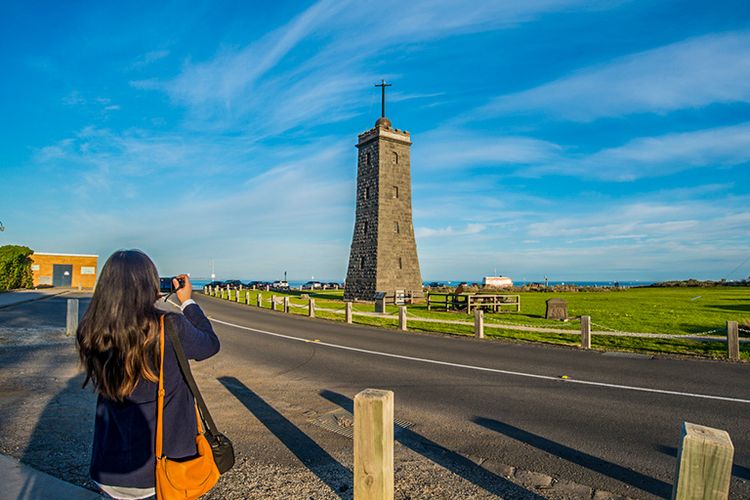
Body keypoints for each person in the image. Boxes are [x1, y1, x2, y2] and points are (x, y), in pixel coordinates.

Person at [76, 250, 220, 499]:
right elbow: (209, 345)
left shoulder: (92, 329)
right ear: (148, 285)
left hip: (108, 468)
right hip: (160, 470)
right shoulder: (168, 326)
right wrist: (187, 302)